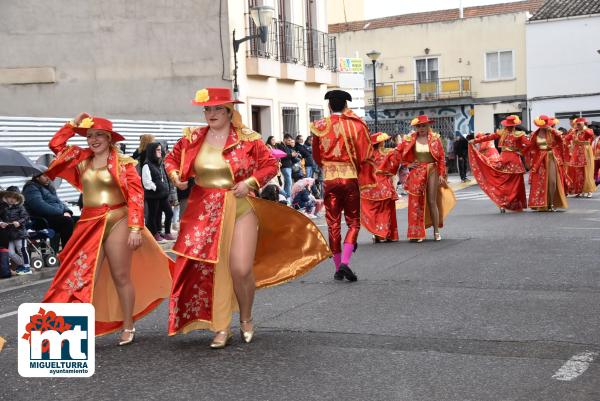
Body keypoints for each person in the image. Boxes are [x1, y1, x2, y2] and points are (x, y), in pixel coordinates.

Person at [164, 87, 330, 348]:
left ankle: (246, 317)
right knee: (214, 268)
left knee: (240, 268)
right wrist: (177, 178)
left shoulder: (248, 138)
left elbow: (271, 164)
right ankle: (221, 327)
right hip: (203, 211)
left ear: (229, 111)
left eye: (218, 108)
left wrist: (250, 182)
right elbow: (171, 160)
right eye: (207, 109)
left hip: (240, 206)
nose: (211, 113)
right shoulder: (192, 138)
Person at [41, 113, 172, 345]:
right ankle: (68, 328)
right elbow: (56, 145)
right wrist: (72, 125)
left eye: (99, 135)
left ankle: (128, 325)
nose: (94, 139)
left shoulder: (124, 163)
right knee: (76, 275)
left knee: (120, 275)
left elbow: (136, 195)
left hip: (117, 219)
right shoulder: (80, 158)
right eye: (90, 135)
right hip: (88, 223)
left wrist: (135, 228)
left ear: (110, 138)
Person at [310, 89, 374, 282]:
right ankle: (345, 262)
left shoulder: (319, 126)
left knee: (333, 223)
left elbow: (316, 155)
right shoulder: (357, 125)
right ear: (346, 106)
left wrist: (328, 165)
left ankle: (338, 267)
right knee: (353, 222)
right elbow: (366, 155)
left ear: (329, 106)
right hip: (350, 178)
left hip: (329, 178)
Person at [380, 115, 455, 242]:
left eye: (424, 125)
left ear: (428, 126)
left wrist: (442, 174)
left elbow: (441, 158)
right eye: (419, 126)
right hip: (417, 171)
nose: (421, 128)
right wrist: (406, 164)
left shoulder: (435, 139)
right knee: (415, 202)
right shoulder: (409, 139)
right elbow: (398, 152)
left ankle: (436, 231)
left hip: (432, 170)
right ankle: (417, 233)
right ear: (416, 127)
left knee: (432, 200)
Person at [468, 115, 529, 213]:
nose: (507, 127)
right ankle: (508, 204)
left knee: (505, 183)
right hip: (510, 161)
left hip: (508, 160)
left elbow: (488, 137)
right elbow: (529, 145)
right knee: (511, 184)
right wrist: (521, 151)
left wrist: (522, 152)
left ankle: (506, 203)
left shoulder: (512, 134)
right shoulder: (512, 134)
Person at [22, 171, 75, 252]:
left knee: (80, 220)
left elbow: (59, 202)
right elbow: (40, 207)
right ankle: (68, 253)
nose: (48, 178)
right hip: (41, 220)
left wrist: (67, 211)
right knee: (67, 221)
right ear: (37, 177)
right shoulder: (31, 188)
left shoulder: (49, 187)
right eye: (45, 176)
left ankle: (79, 250)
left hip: (56, 216)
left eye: (49, 176)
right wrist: (61, 212)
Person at [360, 132, 399, 243]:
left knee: (374, 211)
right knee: (385, 210)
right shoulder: (387, 152)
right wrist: (390, 172)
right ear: (381, 143)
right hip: (384, 185)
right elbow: (396, 162)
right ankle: (385, 233)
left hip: (371, 187)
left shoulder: (368, 156)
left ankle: (376, 233)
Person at [525, 116, 568, 211]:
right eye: (542, 125)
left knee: (552, 181)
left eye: (545, 125)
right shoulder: (534, 134)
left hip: (551, 157)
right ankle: (542, 203)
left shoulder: (552, 133)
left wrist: (552, 130)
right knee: (540, 181)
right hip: (539, 159)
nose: (543, 127)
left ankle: (552, 203)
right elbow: (531, 148)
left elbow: (561, 141)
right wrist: (529, 160)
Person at [142, 142, 175, 242]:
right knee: (153, 215)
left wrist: (165, 189)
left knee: (169, 213)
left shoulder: (159, 164)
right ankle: (155, 234)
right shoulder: (146, 165)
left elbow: (164, 178)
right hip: (153, 196)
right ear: (152, 151)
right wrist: (156, 188)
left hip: (162, 195)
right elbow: (146, 182)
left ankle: (167, 232)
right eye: (158, 150)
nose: (160, 152)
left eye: (160, 150)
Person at [0, 190, 31, 275]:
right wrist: (1, 223)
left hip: (20, 233)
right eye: (10, 197)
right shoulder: (3, 207)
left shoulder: (20, 207)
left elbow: (26, 217)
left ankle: (27, 267)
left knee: (22, 250)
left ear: (17, 198)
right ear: (6, 197)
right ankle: (23, 265)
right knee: (10, 252)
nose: (11, 199)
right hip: (9, 234)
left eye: (14, 197)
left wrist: (19, 222)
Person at [564, 117, 596, 198]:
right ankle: (579, 190)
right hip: (576, 153)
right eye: (576, 124)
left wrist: (583, 127)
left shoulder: (588, 130)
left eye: (579, 124)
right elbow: (566, 138)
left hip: (585, 152)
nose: (577, 126)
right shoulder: (574, 131)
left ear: (583, 124)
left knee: (587, 171)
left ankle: (589, 190)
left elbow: (590, 135)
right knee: (578, 172)